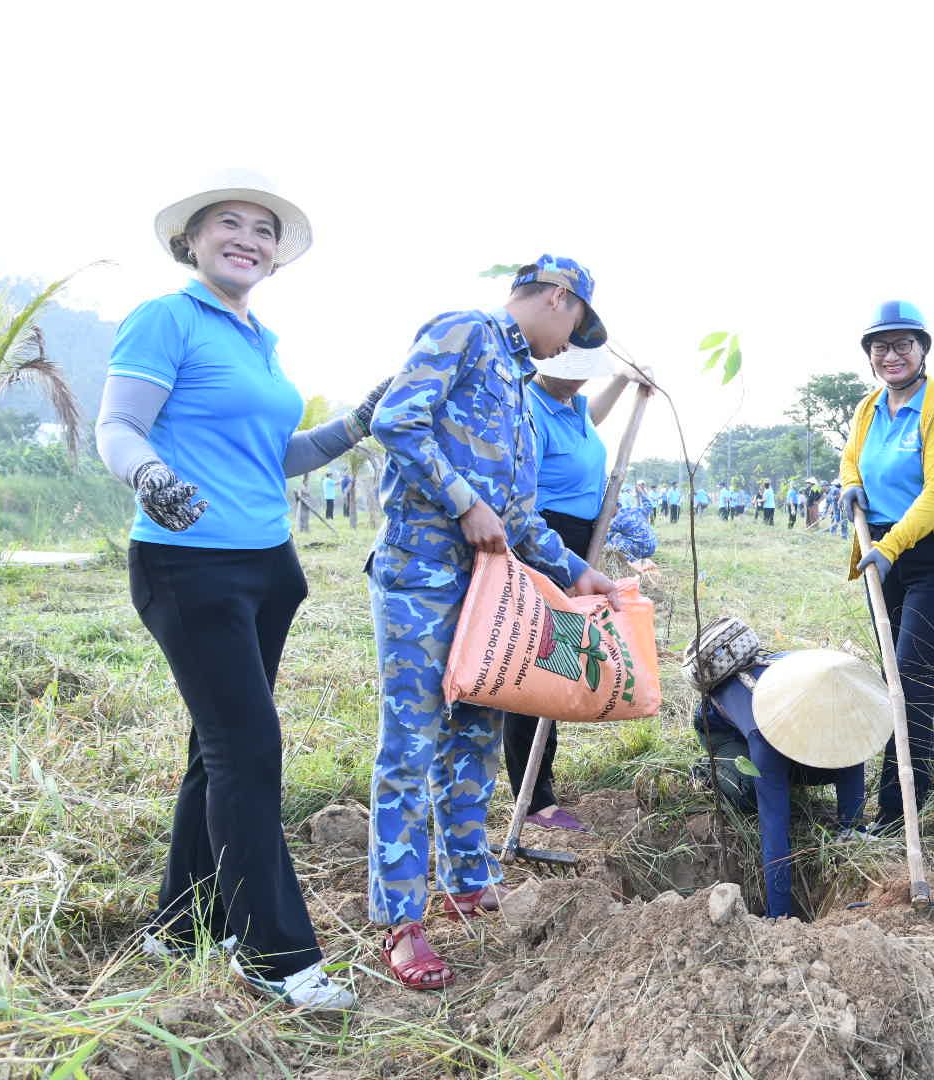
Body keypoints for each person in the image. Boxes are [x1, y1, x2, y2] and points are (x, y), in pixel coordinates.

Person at [97, 177, 385, 1010]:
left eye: (265, 231)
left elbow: (276, 456)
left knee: (215, 749)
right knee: (248, 750)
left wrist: (357, 421)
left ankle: (182, 923)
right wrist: (149, 474)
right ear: (190, 239)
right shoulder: (168, 318)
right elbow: (118, 425)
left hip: (267, 569)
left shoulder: (259, 336)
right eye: (230, 223)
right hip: (189, 568)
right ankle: (274, 954)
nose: (249, 239)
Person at [366, 255, 624, 990]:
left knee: (475, 735)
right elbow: (396, 419)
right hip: (422, 578)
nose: (567, 342)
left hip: (490, 589)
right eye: (574, 322)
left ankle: (469, 882)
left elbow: (515, 513)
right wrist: (461, 501)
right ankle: (401, 921)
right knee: (411, 746)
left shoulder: (515, 385)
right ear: (556, 298)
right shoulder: (464, 333)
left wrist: (577, 571)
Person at [838, 300, 934, 832]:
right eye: (880, 346)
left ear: (922, 351)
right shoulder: (868, 408)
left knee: (909, 685)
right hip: (881, 557)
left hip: (929, 562)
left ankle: (896, 813)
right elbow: (852, 456)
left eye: (902, 345)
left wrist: (891, 546)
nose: (890, 355)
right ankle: (924, 782)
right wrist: (851, 483)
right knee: (892, 677)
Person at [502, 345, 649, 837]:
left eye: (583, 376)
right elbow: (520, 497)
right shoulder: (529, 410)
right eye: (567, 375)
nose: (575, 384)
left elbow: (593, 413)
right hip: (544, 544)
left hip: (582, 544)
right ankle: (535, 801)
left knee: (561, 665)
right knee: (536, 672)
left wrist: (628, 382)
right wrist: (559, 554)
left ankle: (542, 786)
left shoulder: (572, 405)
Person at [687, 626, 879, 920]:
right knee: (752, 791)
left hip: (780, 721)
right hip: (721, 730)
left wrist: (851, 828)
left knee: (833, 751)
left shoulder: (832, 692)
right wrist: (780, 914)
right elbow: (774, 823)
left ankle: (784, 772)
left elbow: (851, 755)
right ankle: (706, 770)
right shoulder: (762, 731)